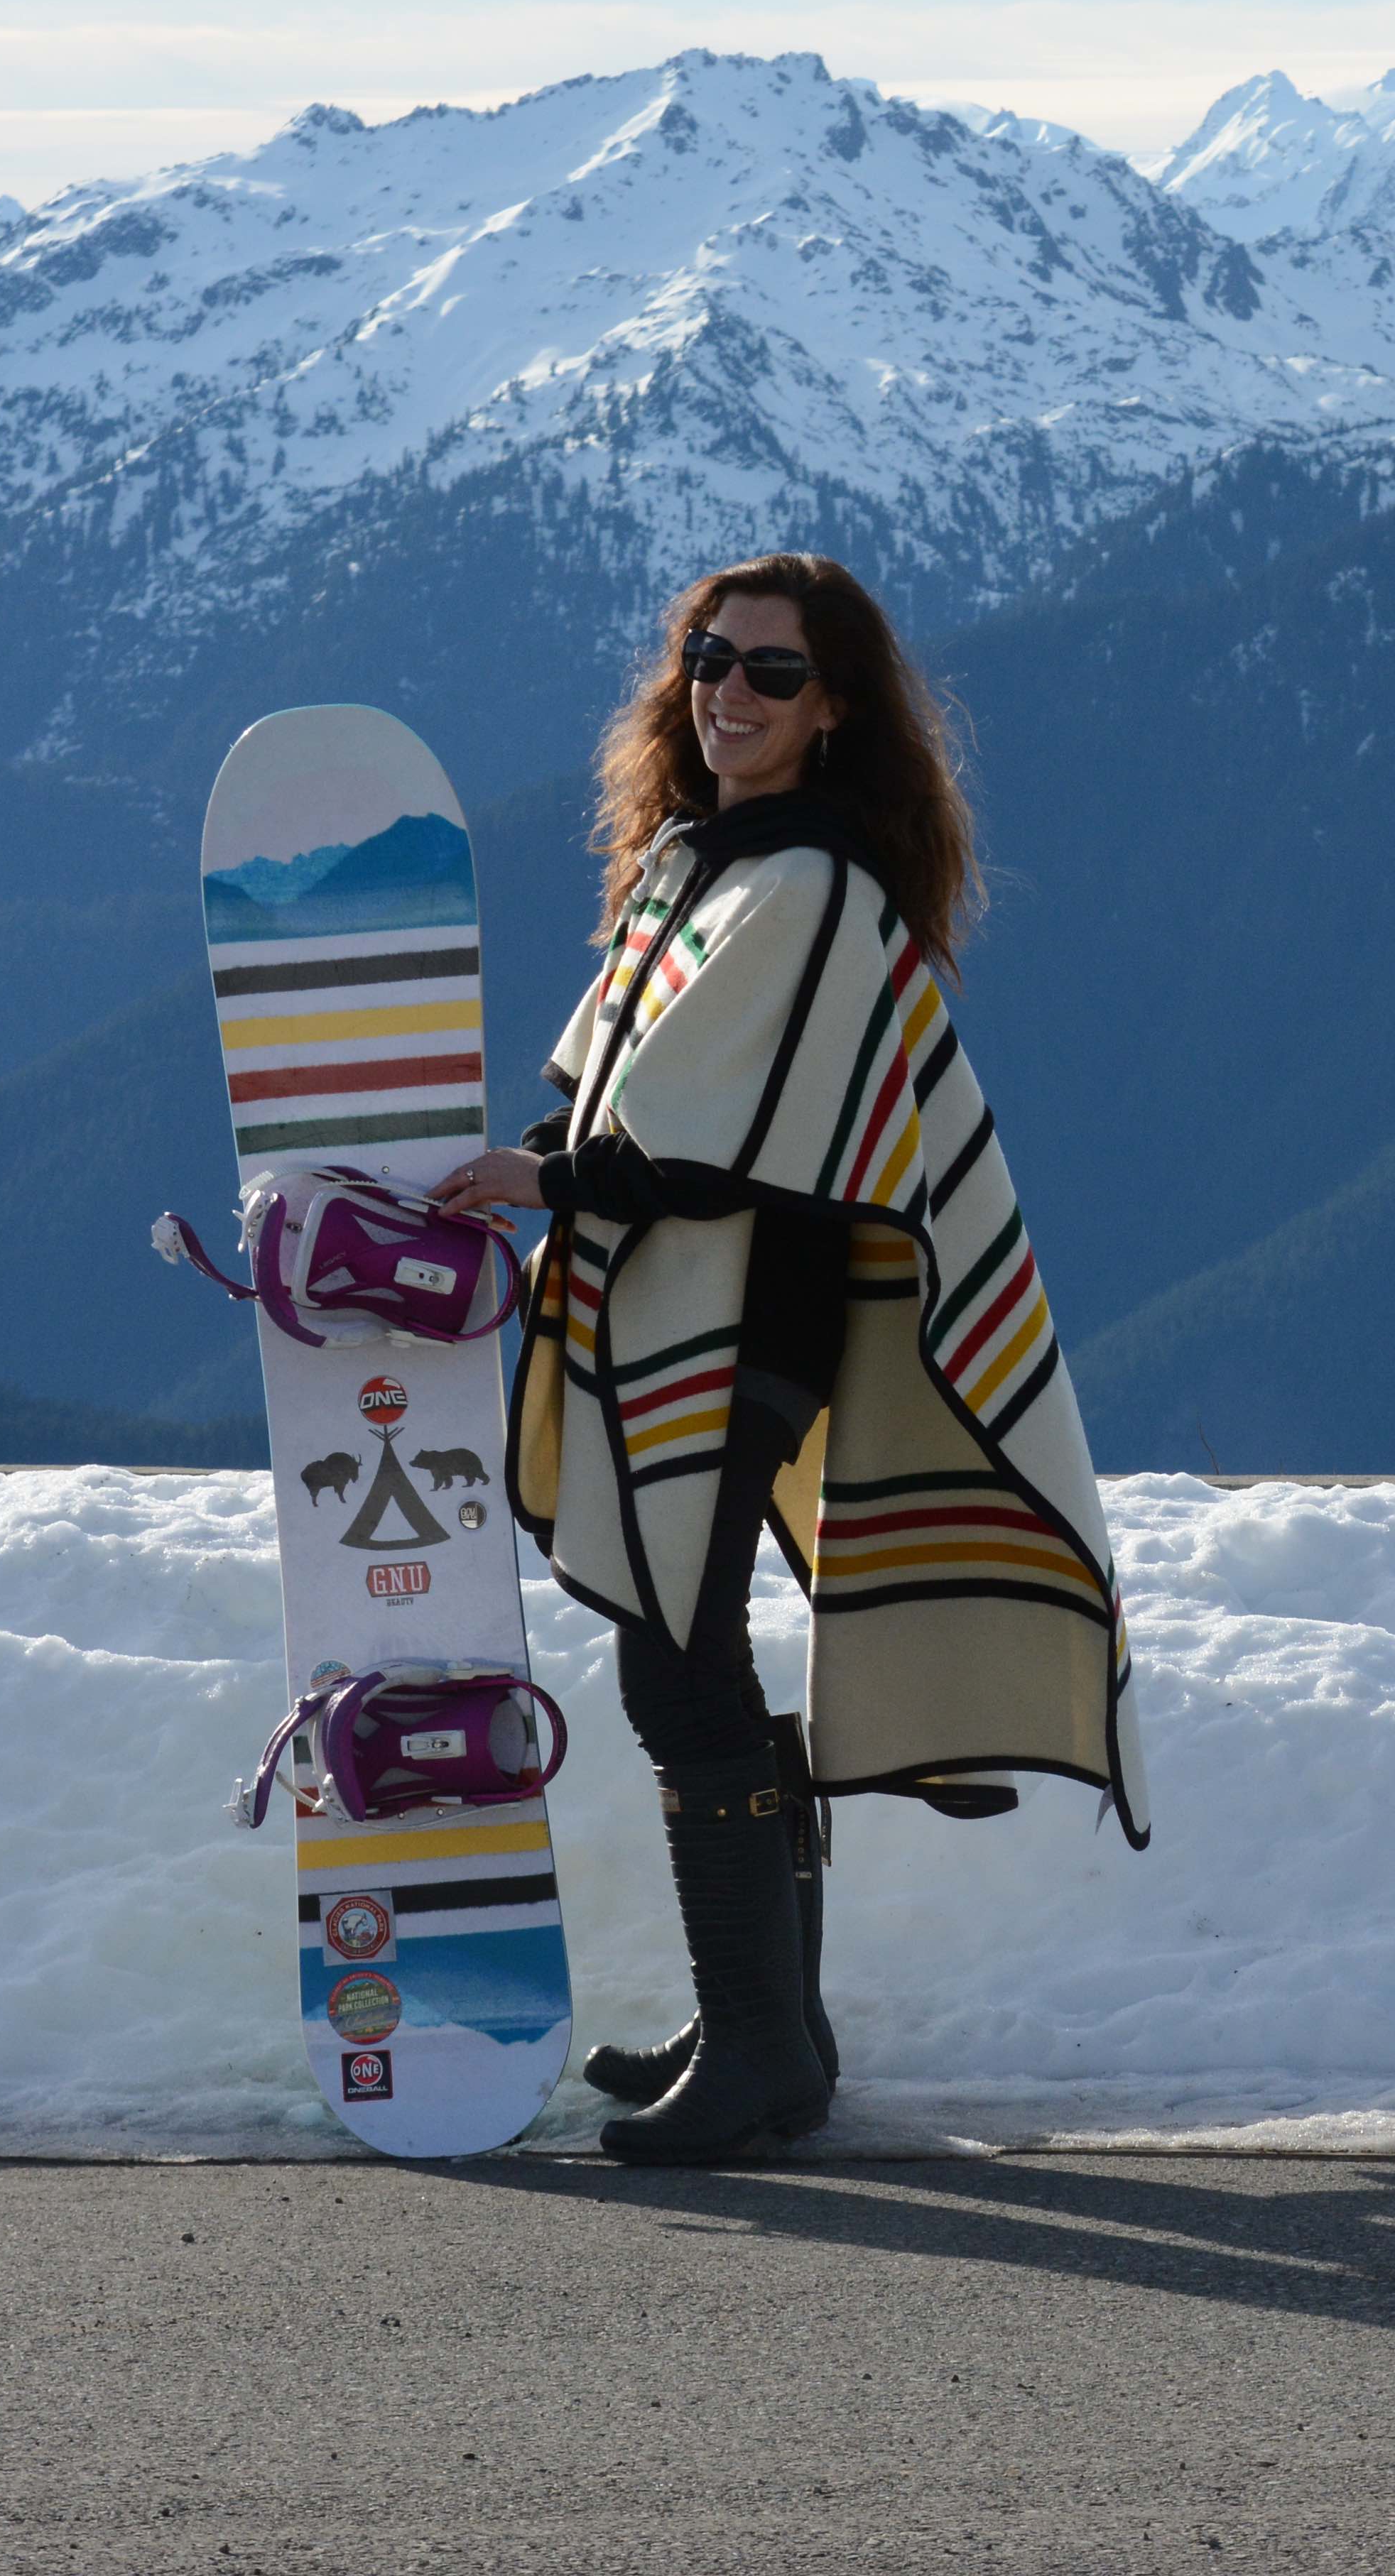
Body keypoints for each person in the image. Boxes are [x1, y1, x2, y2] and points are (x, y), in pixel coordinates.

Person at [431, 553, 1147, 2165]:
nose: (725, 692)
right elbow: (632, 1083)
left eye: (768, 672)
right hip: (695, 1296)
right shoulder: (707, 858)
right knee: (690, 1642)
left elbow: (726, 1144)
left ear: (834, 712)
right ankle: (773, 2025)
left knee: (672, 1648)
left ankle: (759, 2042)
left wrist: (549, 1183)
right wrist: (545, 1154)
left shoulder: (813, 883)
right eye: (706, 656)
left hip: (751, 1309)